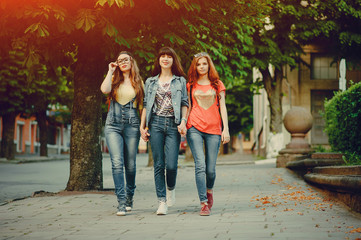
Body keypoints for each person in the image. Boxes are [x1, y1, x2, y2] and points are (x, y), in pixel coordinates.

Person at [140, 47, 188, 215]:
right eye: (162, 56)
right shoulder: (150, 81)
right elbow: (146, 105)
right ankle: (162, 201)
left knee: (172, 165)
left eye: (169, 56)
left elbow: (184, 103)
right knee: (158, 164)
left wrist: (183, 121)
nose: (165, 59)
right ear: (158, 60)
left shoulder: (180, 81)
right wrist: (142, 126)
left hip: (174, 125)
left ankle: (171, 187)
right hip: (156, 124)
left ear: (173, 60)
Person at [183, 52, 230, 216]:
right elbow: (187, 106)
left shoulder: (217, 84)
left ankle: (209, 190)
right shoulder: (190, 85)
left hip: (214, 129)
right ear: (194, 66)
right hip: (194, 126)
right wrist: (184, 123)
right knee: (200, 165)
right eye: (198, 64)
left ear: (209, 65)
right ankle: (203, 202)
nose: (201, 66)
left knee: (210, 169)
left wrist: (226, 129)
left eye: (204, 63)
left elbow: (223, 106)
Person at [100, 51, 144, 216]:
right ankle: (121, 201)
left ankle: (129, 195)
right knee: (117, 163)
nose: (123, 62)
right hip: (113, 125)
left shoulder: (139, 82)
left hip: (132, 125)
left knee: (130, 165)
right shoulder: (113, 80)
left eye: (126, 59)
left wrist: (143, 127)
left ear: (132, 61)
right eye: (120, 60)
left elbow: (142, 107)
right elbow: (104, 90)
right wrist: (110, 70)